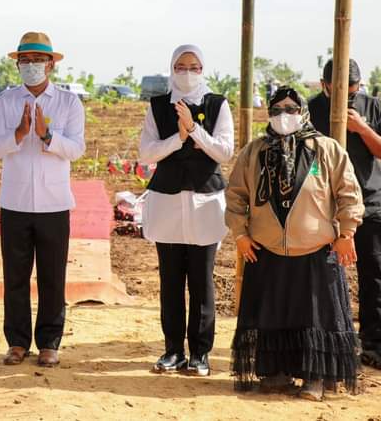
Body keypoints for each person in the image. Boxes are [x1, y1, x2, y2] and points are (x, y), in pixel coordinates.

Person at [227, 86, 363, 401]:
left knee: (314, 316)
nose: (283, 116)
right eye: (276, 110)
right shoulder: (254, 151)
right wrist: (240, 234)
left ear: (303, 112)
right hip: (267, 250)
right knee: (273, 313)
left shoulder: (326, 148)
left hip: (316, 250)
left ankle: (314, 378)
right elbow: (235, 195)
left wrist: (346, 234)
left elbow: (348, 192)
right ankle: (276, 372)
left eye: (290, 109)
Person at [0, 31, 85, 367]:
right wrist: (17, 134)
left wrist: (46, 135)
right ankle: (17, 342)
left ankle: (49, 343)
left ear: (51, 64)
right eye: (25, 60)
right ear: (17, 65)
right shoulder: (5, 102)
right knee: (15, 276)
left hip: (54, 203)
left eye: (38, 60)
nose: (31, 66)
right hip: (15, 202)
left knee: (52, 276)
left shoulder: (69, 103)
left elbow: (77, 149)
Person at [138, 44, 234, 376]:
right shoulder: (157, 106)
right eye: (181, 66)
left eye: (194, 67)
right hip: (167, 205)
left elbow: (224, 151)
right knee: (171, 282)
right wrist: (178, 139)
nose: (187, 73)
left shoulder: (217, 104)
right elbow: (146, 153)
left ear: (203, 70)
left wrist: (194, 130)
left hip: (205, 205)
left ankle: (200, 353)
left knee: (202, 282)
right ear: (171, 68)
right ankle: (173, 350)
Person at [309, 59, 381, 369]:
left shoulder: (372, 106)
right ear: (325, 85)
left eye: (354, 90)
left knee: (374, 274)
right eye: (343, 91)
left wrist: (362, 128)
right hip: (323, 207)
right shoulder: (311, 109)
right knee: (321, 276)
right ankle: (325, 340)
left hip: (370, 202)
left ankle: (374, 343)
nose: (350, 96)